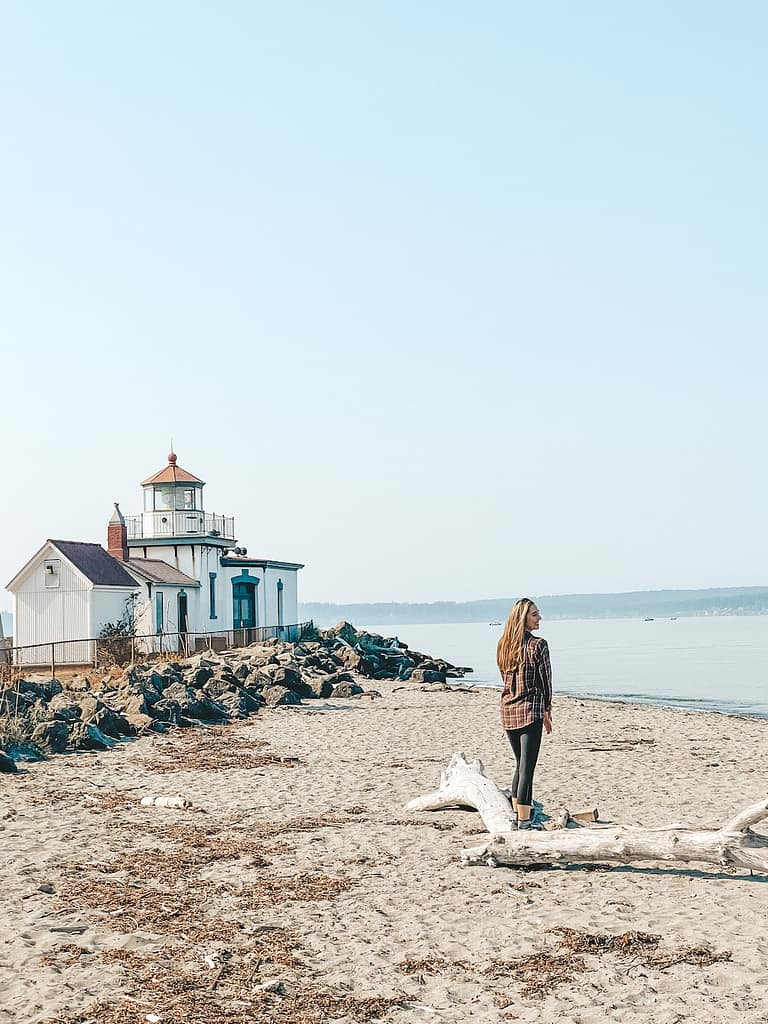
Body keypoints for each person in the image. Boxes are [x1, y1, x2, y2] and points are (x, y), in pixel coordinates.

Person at [497, 598, 552, 830]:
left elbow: (505, 679)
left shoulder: (504, 645)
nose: (539, 618)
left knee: (520, 764)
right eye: (535, 615)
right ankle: (525, 821)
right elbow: (546, 682)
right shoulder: (538, 645)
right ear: (523, 618)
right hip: (530, 710)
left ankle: (517, 815)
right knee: (527, 770)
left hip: (508, 709)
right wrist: (547, 708)